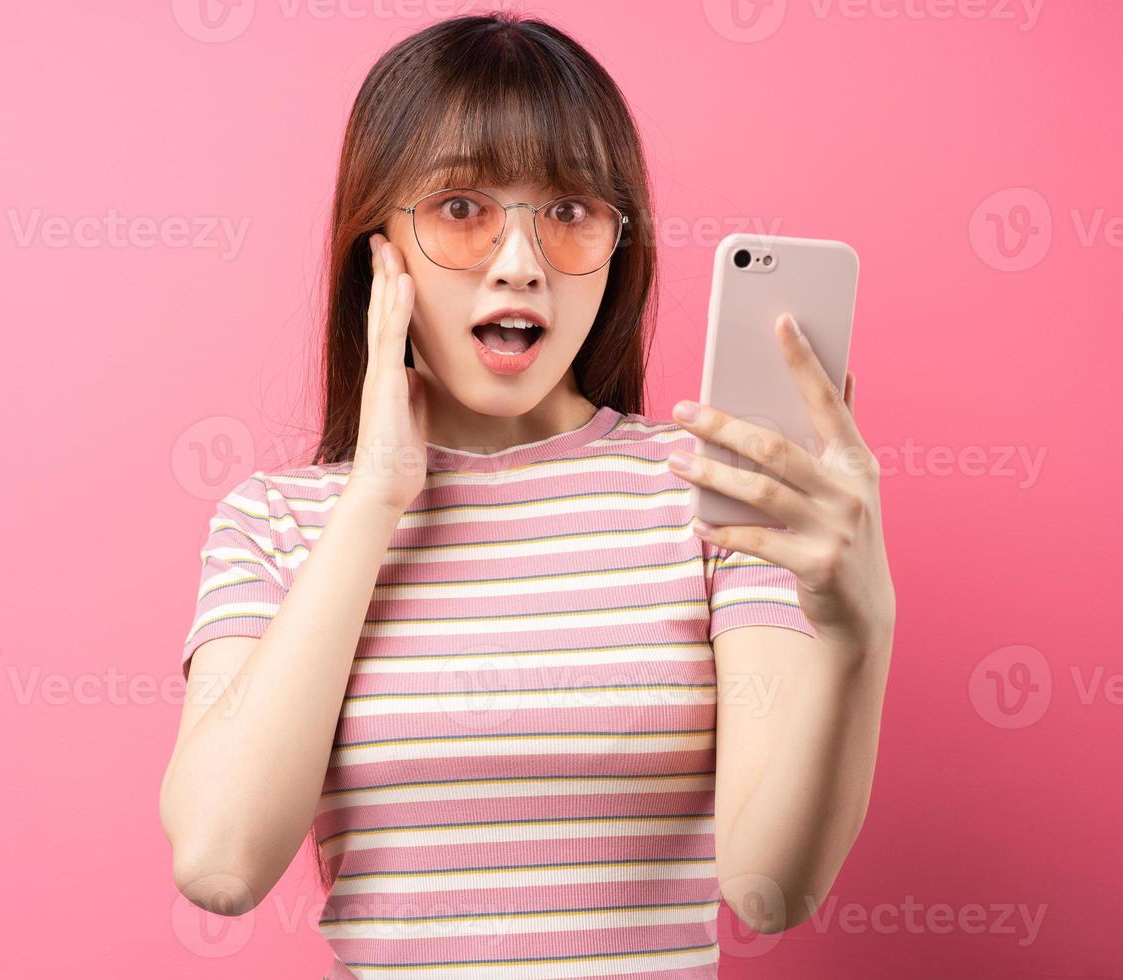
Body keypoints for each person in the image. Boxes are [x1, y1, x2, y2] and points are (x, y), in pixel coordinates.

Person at [159, 12, 896, 978]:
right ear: (379, 248)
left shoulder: (707, 495)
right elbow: (220, 862)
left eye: (569, 211)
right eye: (461, 208)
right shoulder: (275, 524)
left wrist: (858, 631)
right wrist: (377, 494)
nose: (521, 262)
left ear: (617, 246)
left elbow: (769, 888)